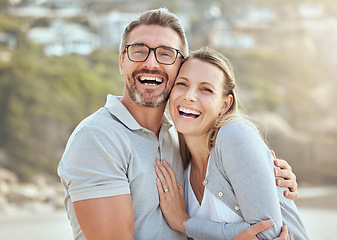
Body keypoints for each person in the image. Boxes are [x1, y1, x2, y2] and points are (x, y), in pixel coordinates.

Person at [57, 8, 298, 240]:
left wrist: (271, 178)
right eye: (139, 51)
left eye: (165, 54)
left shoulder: (178, 137)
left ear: (179, 67)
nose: (151, 63)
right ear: (121, 62)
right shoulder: (97, 138)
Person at [154, 47, 309, 239]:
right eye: (182, 84)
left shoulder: (234, 135)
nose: (189, 96)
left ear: (225, 104)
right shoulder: (180, 163)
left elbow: (266, 233)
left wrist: (184, 223)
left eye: (206, 89)